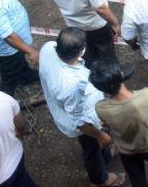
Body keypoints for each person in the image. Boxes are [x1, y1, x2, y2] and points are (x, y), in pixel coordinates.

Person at [39, 27, 124, 187]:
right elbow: (80, 121)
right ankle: (99, 179)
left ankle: (105, 154)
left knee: (97, 145)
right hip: (84, 124)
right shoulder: (79, 85)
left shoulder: (48, 48)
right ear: (81, 51)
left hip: (63, 108)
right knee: (91, 148)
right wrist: (99, 136)